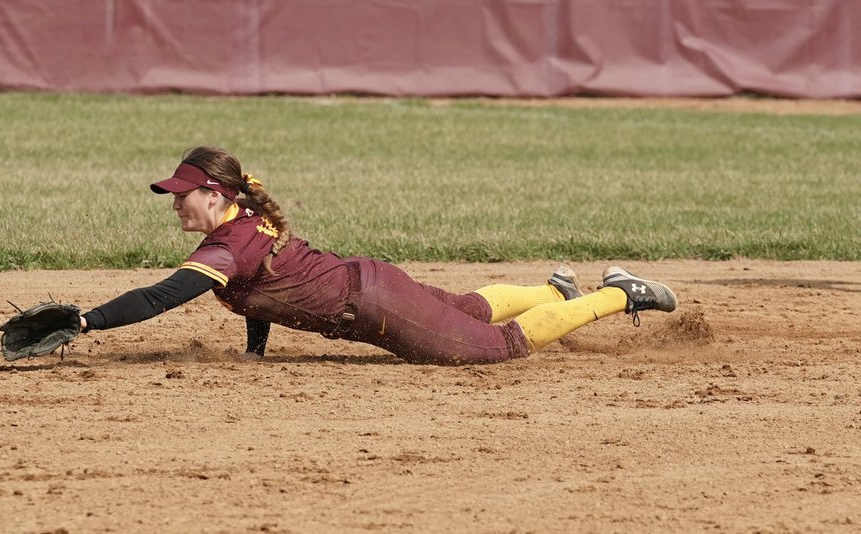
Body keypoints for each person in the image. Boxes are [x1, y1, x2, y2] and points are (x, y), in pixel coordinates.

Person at [78, 146, 677, 365]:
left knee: (497, 347)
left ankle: (621, 293)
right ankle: (555, 293)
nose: (175, 206)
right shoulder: (241, 226)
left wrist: (86, 320)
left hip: (375, 305)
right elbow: (257, 295)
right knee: (469, 306)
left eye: (183, 196)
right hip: (371, 284)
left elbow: (161, 298)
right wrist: (254, 352)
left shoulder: (227, 244)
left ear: (215, 195)